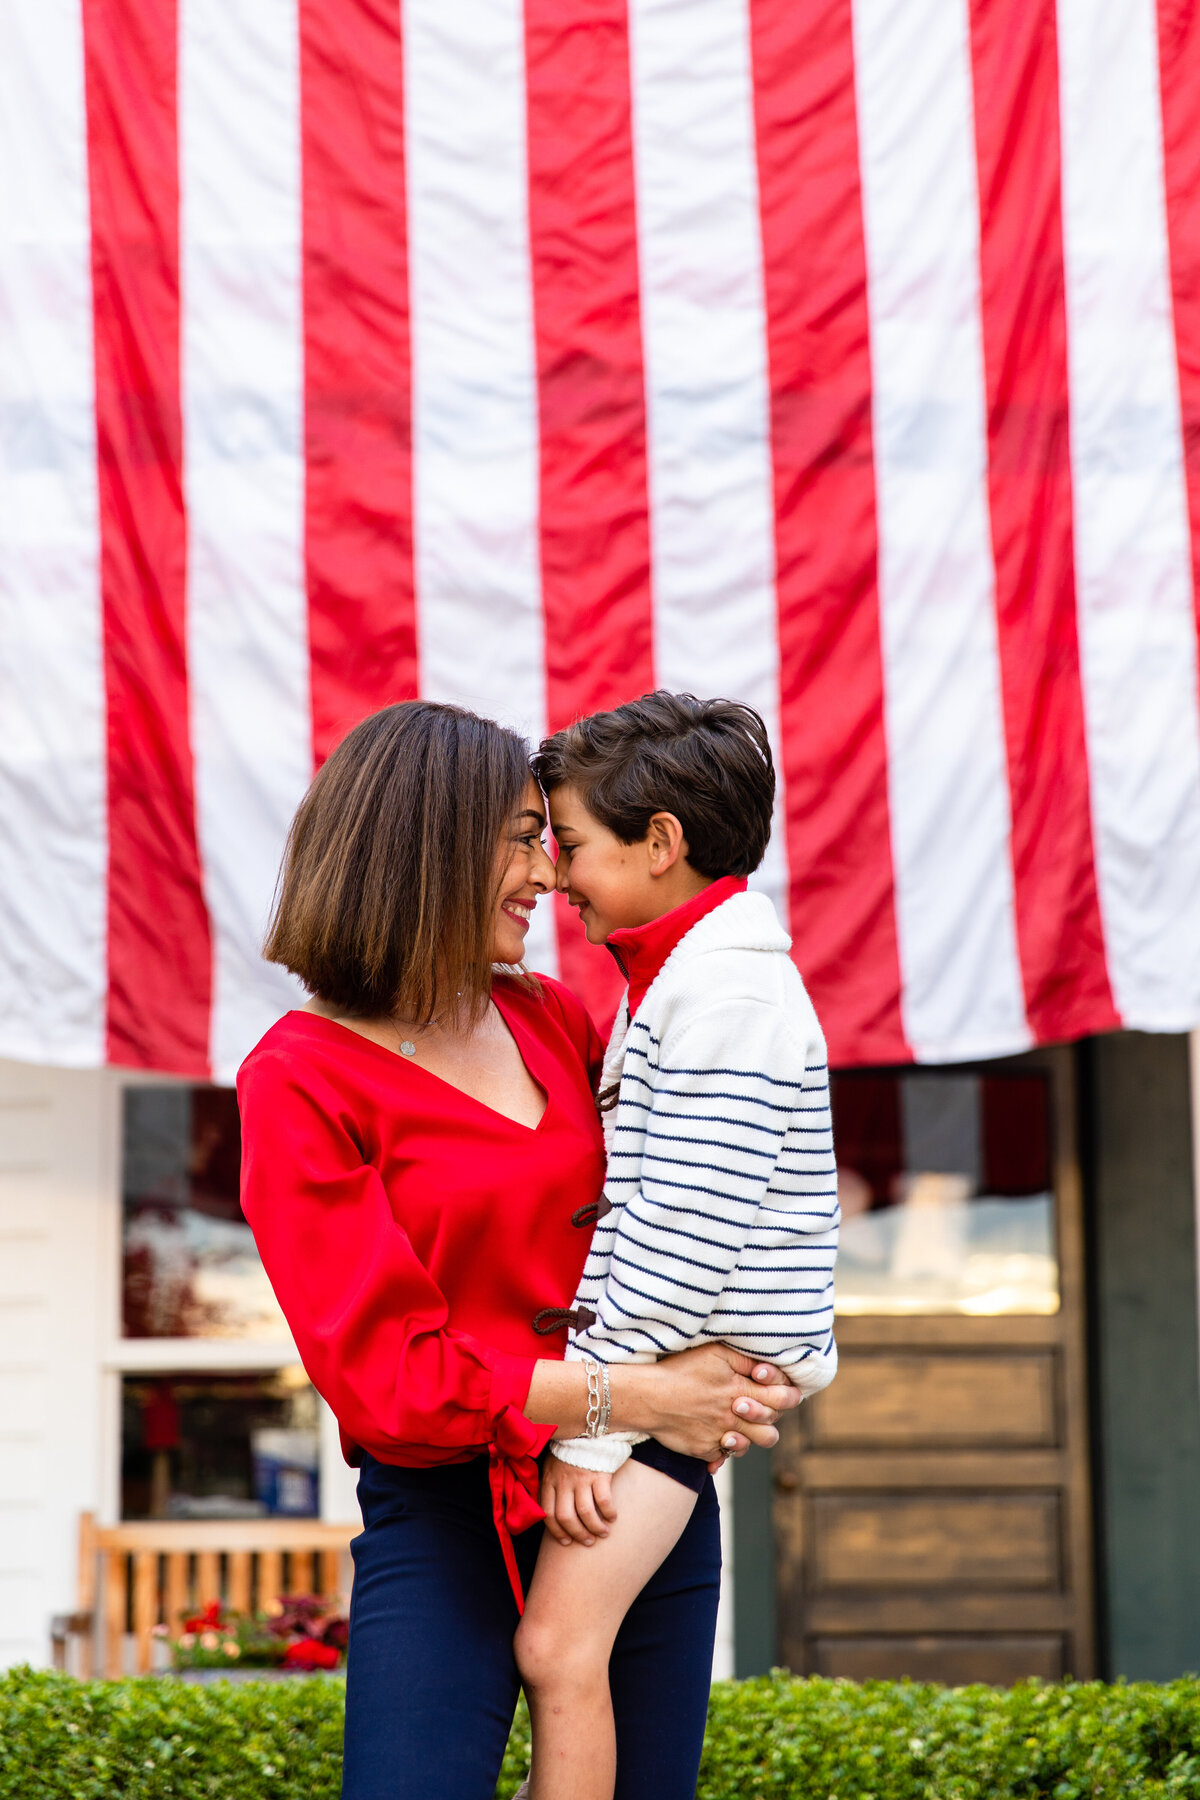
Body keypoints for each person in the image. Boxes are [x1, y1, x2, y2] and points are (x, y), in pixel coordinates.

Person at [235, 700, 801, 1800]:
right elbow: (391, 1379)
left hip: (626, 1492)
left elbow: (668, 1213)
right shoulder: (298, 1078)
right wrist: (633, 1395)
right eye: (520, 838)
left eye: (552, 839)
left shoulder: (554, 1017)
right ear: (425, 845)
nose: (548, 873)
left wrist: (712, 1379)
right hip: (445, 1510)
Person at [515, 692, 839, 1800]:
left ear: (662, 844)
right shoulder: (684, 984)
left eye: (574, 845)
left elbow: (678, 1238)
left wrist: (591, 1431)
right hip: (675, 1363)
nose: (555, 877)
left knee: (557, 1648)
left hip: (698, 1365)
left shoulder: (730, 993)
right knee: (570, 1653)